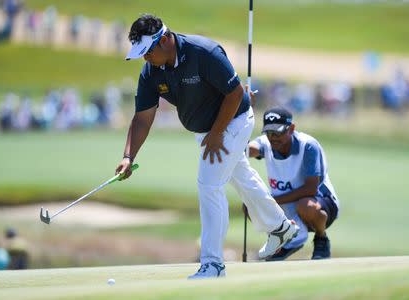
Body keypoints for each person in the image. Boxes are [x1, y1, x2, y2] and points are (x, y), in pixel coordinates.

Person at [114, 14, 299, 279]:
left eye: (148, 52)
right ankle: (281, 228)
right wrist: (128, 156)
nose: (145, 59)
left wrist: (216, 133)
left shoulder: (204, 52)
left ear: (165, 40)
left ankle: (213, 264)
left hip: (233, 120)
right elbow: (143, 118)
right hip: (207, 131)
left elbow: (235, 94)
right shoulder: (151, 72)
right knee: (242, 176)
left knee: (209, 184)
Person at [247, 107, 340, 260]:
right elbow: (250, 149)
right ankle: (281, 240)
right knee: (250, 206)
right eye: (269, 133)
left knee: (305, 205)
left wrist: (271, 202)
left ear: (291, 129)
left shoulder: (308, 146)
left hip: (319, 202)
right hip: (286, 203)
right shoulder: (266, 143)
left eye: (278, 132)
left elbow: (311, 188)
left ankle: (321, 239)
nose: (273, 137)